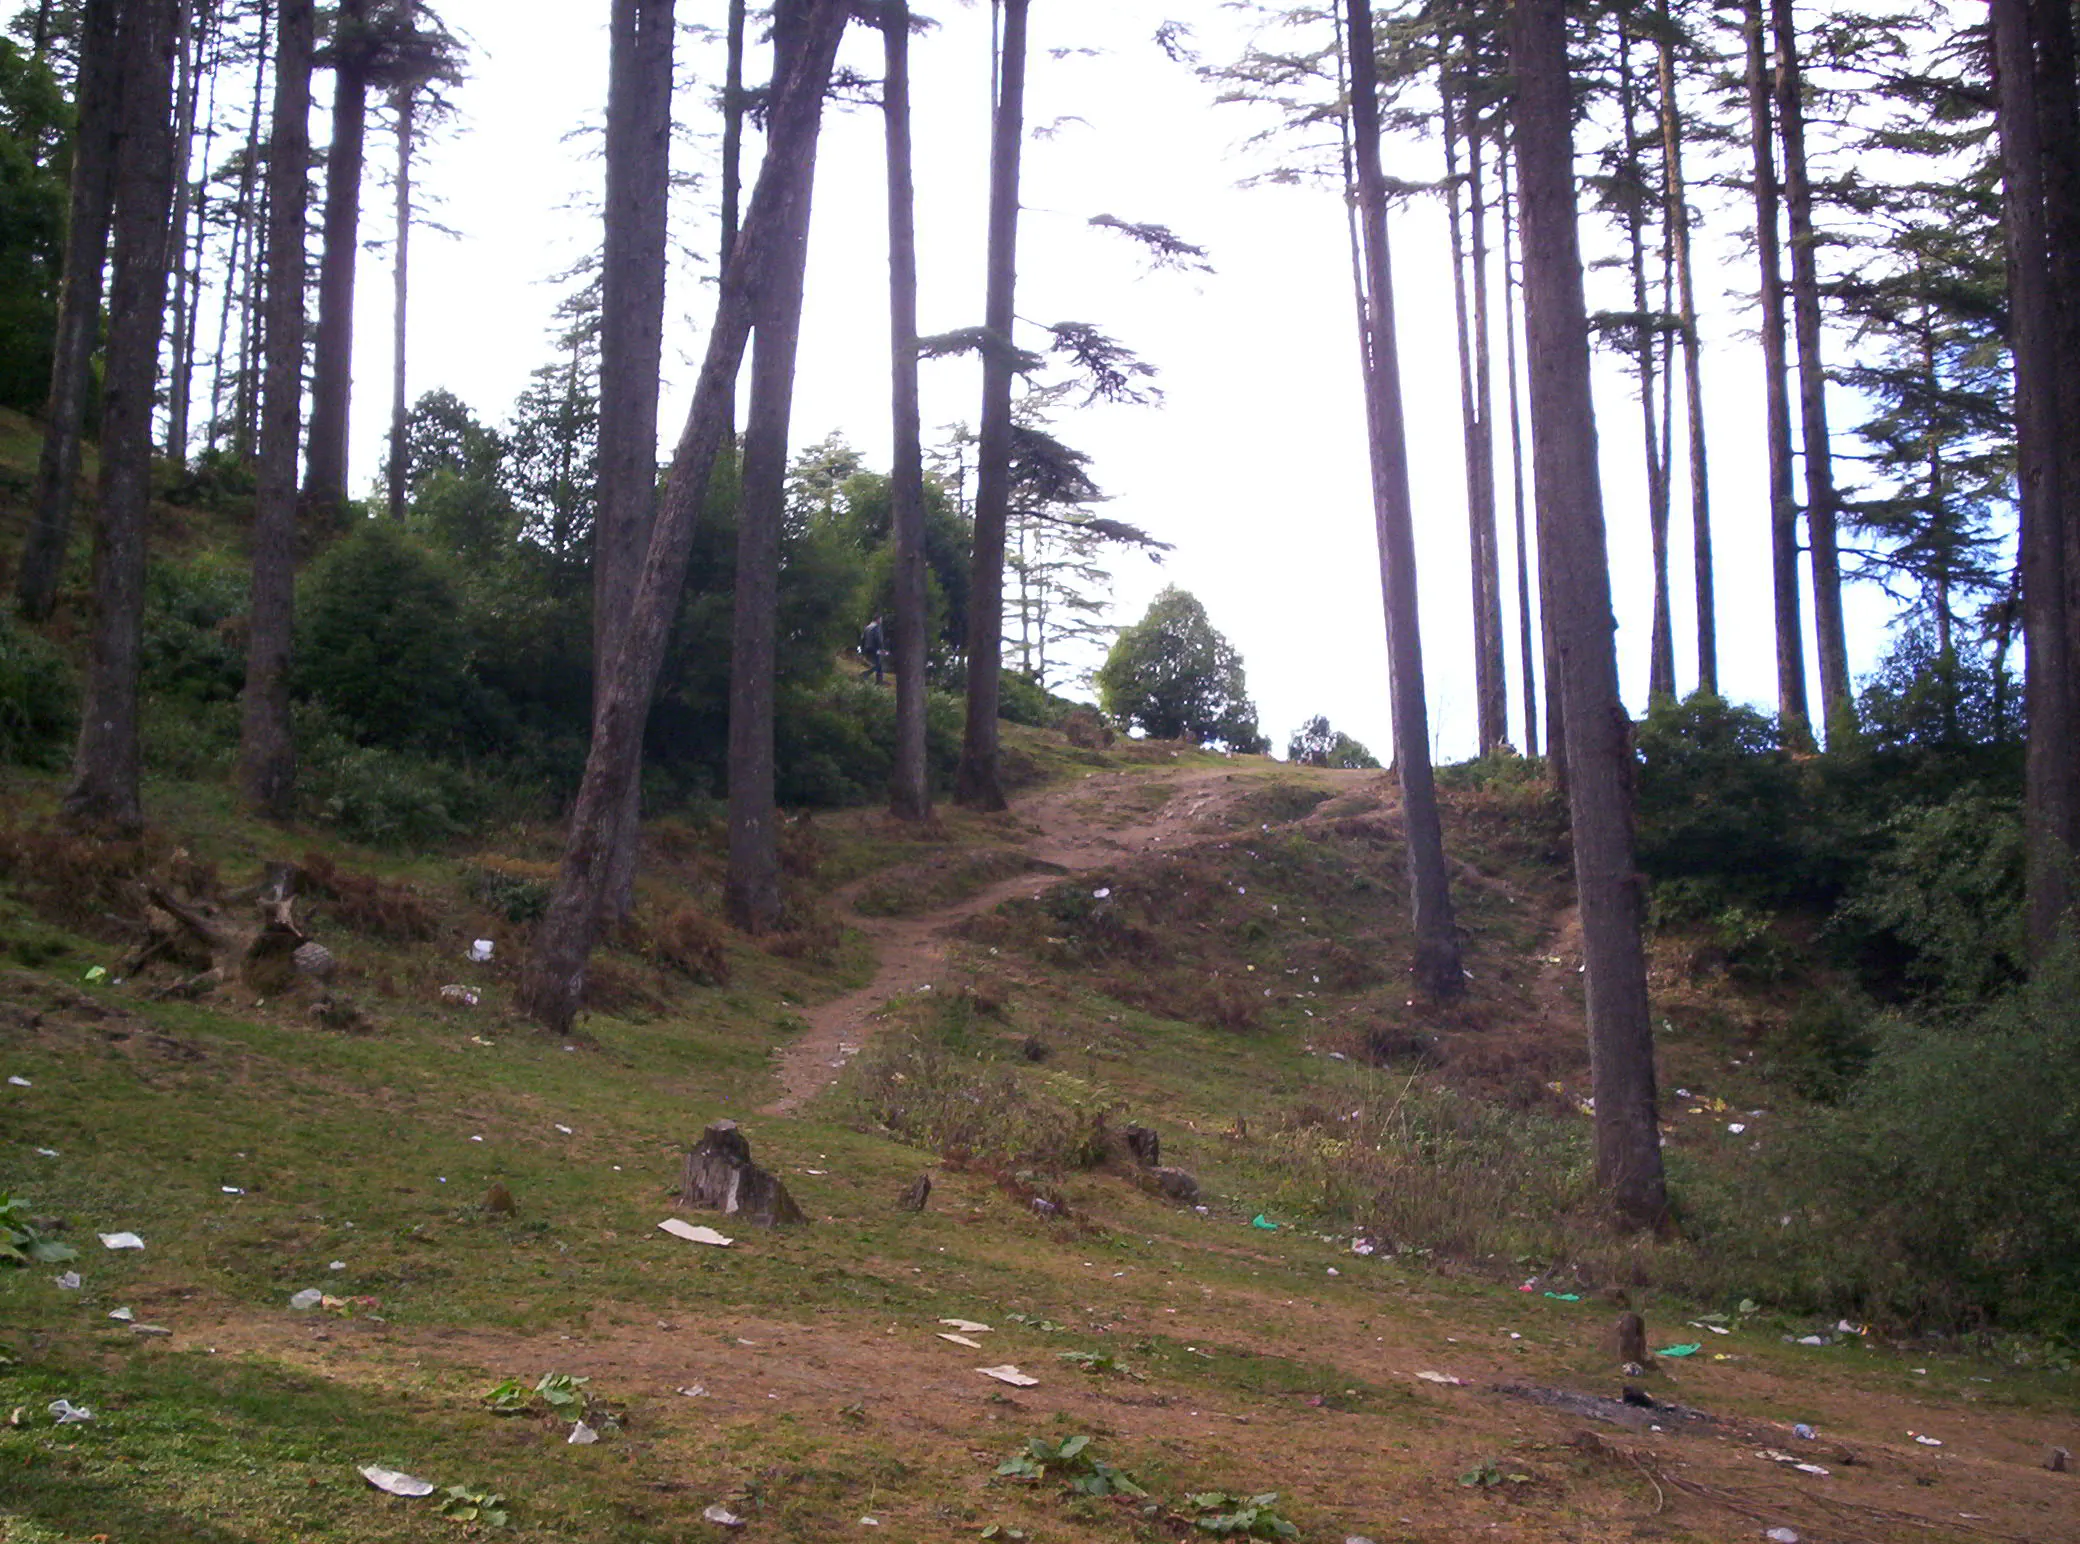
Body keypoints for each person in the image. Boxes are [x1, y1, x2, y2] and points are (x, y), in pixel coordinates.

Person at [859, 614, 887, 684]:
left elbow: (862, 639)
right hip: (875, 648)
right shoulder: (876, 627)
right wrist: (882, 648)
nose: (881, 621)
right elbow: (878, 639)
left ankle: (879, 681)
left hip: (867, 648)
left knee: (879, 664)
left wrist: (862, 649)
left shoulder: (867, 627)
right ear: (877, 619)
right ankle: (866, 674)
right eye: (880, 619)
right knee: (878, 664)